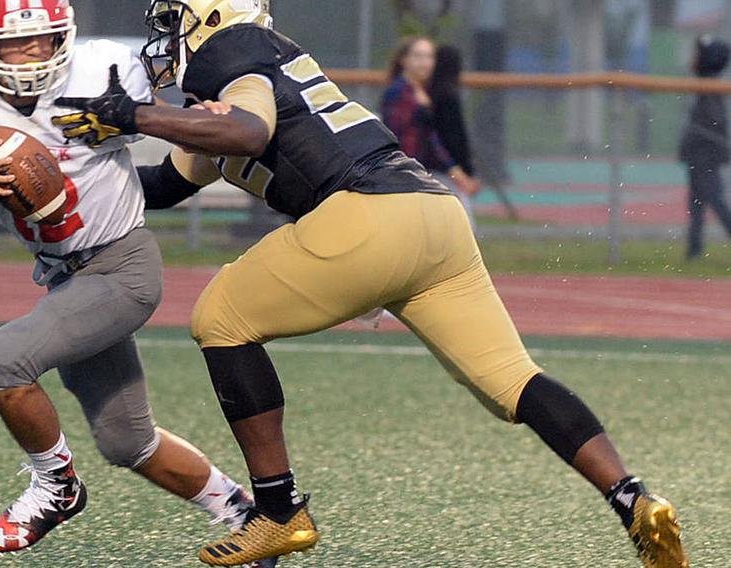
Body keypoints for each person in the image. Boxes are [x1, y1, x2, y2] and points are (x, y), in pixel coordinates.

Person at [51, 1, 688, 566]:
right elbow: (164, 184)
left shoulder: (230, 49)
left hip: (364, 214)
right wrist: (66, 179)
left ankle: (277, 513)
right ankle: (632, 499)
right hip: (433, 216)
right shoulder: (236, 87)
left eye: (173, 22)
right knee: (510, 379)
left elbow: (249, 132)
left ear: (207, 17)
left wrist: (135, 115)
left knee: (221, 318)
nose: (166, 42)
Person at [0, 1, 275, 564]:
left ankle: (57, 487)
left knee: (1, 361)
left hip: (123, 267)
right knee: (127, 442)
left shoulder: (107, 69)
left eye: (43, 39)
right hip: (66, 280)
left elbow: (201, 76)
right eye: (17, 42)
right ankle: (245, 514)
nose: (33, 53)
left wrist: (214, 112)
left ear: (63, 34)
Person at [382, 37, 480, 225]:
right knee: (460, 222)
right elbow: (403, 139)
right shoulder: (399, 93)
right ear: (404, 60)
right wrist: (456, 172)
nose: (424, 62)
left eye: (429, 57)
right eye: (418, 56)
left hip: (427, 171)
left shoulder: (424, 92)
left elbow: (432, 138)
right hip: (409, 173)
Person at [679, 34, 731, 260]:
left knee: (714, 199)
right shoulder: (703, 86)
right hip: (699, 155)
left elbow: (714, 124)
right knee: (697, 201)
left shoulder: (709, 88)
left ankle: (694, 249)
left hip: (705, 156)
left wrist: (699, 146)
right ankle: (694, 249)